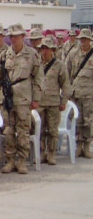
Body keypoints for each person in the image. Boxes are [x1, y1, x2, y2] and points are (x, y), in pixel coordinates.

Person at [0, 23, 43, 174]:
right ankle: (10, 160)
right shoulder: (5, 55)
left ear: (23, 36)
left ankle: (22, 160)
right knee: (8, 130)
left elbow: (38, 78)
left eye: (16, 36)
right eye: (11, 36)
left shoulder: (32, 54)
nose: (13, 39)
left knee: (23, 130)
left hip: (23, 98)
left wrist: (36, 98)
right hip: (8, 98)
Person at [37, 37, 71, 165]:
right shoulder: (36, 64)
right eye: (43, 48)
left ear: (52, 49)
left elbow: (65, 84)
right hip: (39, 102)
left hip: (53, 102)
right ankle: (41, 152)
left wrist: (64, 101)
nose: (45, 51)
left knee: (52, 130)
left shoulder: (59, 65)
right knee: (39, 129)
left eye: (47, 48)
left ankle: (51, 153)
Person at [67, 28, 93, 158]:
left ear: (90, 40)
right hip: (75, 93)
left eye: (86, 39)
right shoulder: (73, 54)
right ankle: (78, 145)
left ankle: (87, 146)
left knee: (88, 121)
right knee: (76, 120)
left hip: (89, 94)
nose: (83, 41)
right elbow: (66, 72)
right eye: (82, 39)